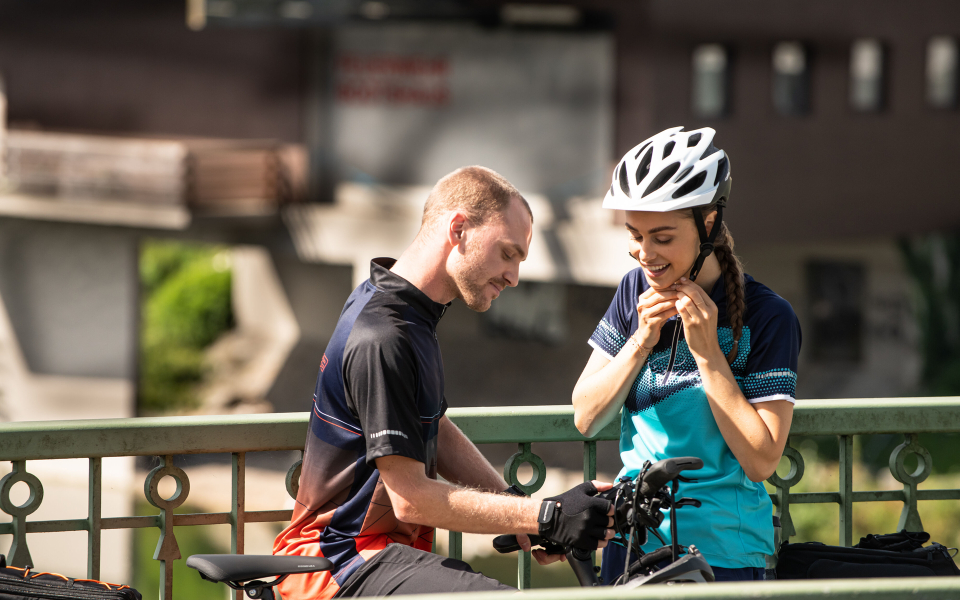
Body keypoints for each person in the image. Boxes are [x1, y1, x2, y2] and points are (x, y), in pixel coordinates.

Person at [274, 166, 615, 599]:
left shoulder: (405, 308)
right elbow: (411, 498)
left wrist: (523, 512)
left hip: (377, 555)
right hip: (336, 563)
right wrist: (547, 516)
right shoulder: (384, 335)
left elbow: (432, 425)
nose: (513, 277)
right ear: (459, 230)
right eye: (508, 253)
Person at [572, 127, 801, 583]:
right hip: (632, 542)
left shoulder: (769, 315)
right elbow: (586, 417)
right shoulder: (633, 291)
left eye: (662, 237)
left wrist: (708, 354)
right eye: (634, 234)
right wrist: (641, 340)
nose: (644, 253)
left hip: (724, 553)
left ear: (709, 223)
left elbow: (761, 461)